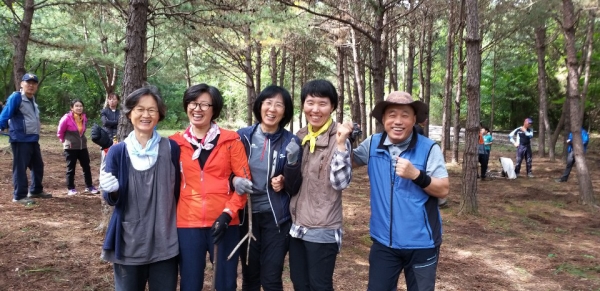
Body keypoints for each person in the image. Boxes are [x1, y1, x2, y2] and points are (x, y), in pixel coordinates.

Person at [351, 91, 449, 291]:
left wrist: (416, 175)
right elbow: (348, 162)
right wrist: (342, 138)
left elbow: (443, 189)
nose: (398, 121)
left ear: (414, 119)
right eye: (392, 114)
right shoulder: (372, 145)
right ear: (383, 119)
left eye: (405, 115)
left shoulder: (429, 148)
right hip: (383, 242)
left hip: (422, 242)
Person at [170, 83, 252, 291]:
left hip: (225, 222)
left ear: (214, 109)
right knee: (190, 283)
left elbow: (244, 182)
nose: (197, 109)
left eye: (204, 104)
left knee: (225, 283)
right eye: (192, 103)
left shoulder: (231, 140)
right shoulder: (174, 143)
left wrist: (228, 213)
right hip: (187, 224)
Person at [99, 86, 180, 291]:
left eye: (152, 110)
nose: (146, 115)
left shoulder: (171, 148)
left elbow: (178, 191)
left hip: (165, 242)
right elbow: (110, 198)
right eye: (139, 109)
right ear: (129, 113)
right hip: (129, 243)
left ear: (159, 114)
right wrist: (112, 190)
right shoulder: (118, 152)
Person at [288, 79, 353, 291]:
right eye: (310, 102)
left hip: (323, 228)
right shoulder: (300, 136)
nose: (315, 109)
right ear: (303, 105)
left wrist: (342, 144)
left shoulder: (339, 138)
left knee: (319, 286)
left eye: (322, 103)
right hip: (297, 227)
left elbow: (340, 182)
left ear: (332, 106)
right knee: (300, 283)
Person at [237, 85, 303, 291]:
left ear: (285, 111)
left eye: (279, 105)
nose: (272, 109)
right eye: (268, 103)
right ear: (260, 106)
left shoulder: (291, 141)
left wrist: (286, 176)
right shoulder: (242, 137)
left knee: (272, 277)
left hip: (277, 218)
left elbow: (294, 187)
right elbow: (228, 170)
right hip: (245, 216)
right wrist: (234, 181)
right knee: (250, 276)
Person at [0, 73, 52, 205]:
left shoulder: (32, 100)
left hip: (33, 139)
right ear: (22, 84)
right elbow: (5, 114)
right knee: (20, 168)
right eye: (28, 82)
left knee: (38, 165)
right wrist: (1, 125)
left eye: (34, 83)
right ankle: (19, 196)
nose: (31, 85)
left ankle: (35, 190)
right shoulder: (16, 97)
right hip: (20, 139)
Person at [56, 99, 98, 195]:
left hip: (82, 146)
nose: (79, 108)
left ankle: (89, 186)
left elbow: (82, 132)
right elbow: (60, 132)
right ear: (72, 108)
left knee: (86, 167)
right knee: (71, 168)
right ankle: (71, 188)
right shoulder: (66, 118)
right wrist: (65, 142)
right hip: (70, 147)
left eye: (80, 106)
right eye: (76, 106)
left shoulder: (84, 118)